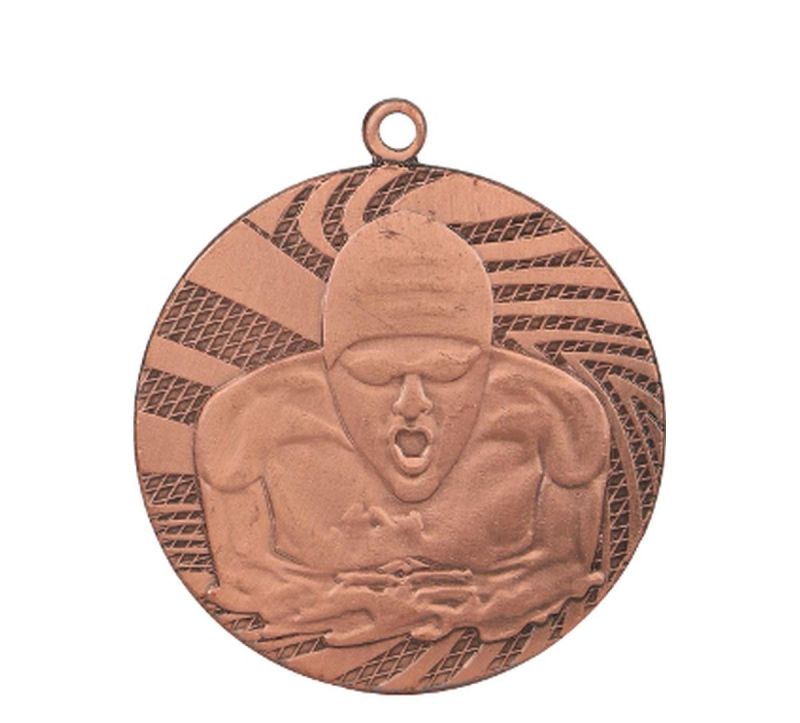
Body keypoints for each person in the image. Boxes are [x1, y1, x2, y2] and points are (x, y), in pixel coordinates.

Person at [195, 211, 610, 644]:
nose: (412, 402)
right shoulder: (247, 420)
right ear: (329, 368)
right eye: (375, 373)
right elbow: (243, 577)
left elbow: (567, 569)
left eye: (447, 371)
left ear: (487, 365)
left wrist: (479, 601)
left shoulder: (561, 416)